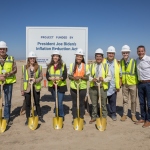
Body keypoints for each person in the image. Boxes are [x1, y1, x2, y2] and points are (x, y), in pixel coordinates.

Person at [21, 51, 45, 125]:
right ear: (28, 59)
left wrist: (36, 80)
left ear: (35, 59)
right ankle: (28, 118)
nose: (32, 59)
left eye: (33, 58)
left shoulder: (39, 67)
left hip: (36, 87)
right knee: (28, 103)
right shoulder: (24, 67)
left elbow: (41, 77)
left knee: (37, 102)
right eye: (31, 58)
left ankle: (40, 116)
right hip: (27, 88)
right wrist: (22, 89)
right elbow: (22, 79)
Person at [89, 48, 112, 124]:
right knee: (94, 104)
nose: (98, 58)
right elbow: (87, 76)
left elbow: (109, 77)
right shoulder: (91, 66)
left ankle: (104, 117)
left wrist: (104, 79)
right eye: (97, 56)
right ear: (95, 57)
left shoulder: (106, 66)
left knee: (103, 104)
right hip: (93, 88)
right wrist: (92, 79)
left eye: (100, 56)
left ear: (102, 57)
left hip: (102, 88)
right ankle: (93, 117)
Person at [68, 48, 90, 125]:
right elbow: (69, 76)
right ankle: (74, 118)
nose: (79, 58)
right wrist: (74, 77)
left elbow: (87, 77)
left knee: (81, 103)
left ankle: (81, 117)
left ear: (82, 58)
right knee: (74, 103)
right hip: (74, 87)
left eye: (80, 56)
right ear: (76, 57)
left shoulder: (86, 66)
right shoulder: (72, 65)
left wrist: (80, 77)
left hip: (82, 88)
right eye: (78, 56)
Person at [46, 50, 67, 120]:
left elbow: (65, 76)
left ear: (59, 57)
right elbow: (47, 75)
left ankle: (61, 116)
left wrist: (59, 78)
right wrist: (50, 78)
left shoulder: (63, 65)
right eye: (54, 56)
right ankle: (56, 114)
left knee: (59, 102)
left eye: (57, 56)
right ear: (52, 57)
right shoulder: (49, 65)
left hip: (61, 86)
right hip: (53, 86)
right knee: (56, 101)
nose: (55, 57)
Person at [0, 41, 17, 125]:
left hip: (8, 83)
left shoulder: (11, 58)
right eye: (0, 49)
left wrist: (5, 75)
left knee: (7, 102)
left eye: (3, 49)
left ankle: (7, 118)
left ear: (6, 50)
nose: (2, 50)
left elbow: (14, 70)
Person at [103, 46, 122, 121]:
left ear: (114, 54)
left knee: (112, 102)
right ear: (107, 53)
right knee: (103, 101)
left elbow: (120, 76)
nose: (111, 55)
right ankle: (104, 113)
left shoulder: (117, 63)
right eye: (109, 53)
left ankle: (113, 113)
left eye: (112, 53)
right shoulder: (102, 61)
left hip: (113, 86)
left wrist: (119, 86)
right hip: (104, 85)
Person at [120, 45, 138, 122]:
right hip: (124, 84)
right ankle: (124, 114)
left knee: (133, 100)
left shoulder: (134, 61)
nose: (125, 54)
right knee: (125, 100)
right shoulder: (120, 61)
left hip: (133, 84)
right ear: (122, 53)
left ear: (129, 53)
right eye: (124, 53)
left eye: (126, 52)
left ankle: (133, 115)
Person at [135, 45, 150, 127]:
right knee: (142, 103)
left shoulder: (148, 59)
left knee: (149, 103)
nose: (140, 53)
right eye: (139, 51)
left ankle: (148, 120)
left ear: (145, 51)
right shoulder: (137, 60)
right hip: (140, 83)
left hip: (148, 83)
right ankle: (143, 118)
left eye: (142, 51)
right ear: (137, 52)